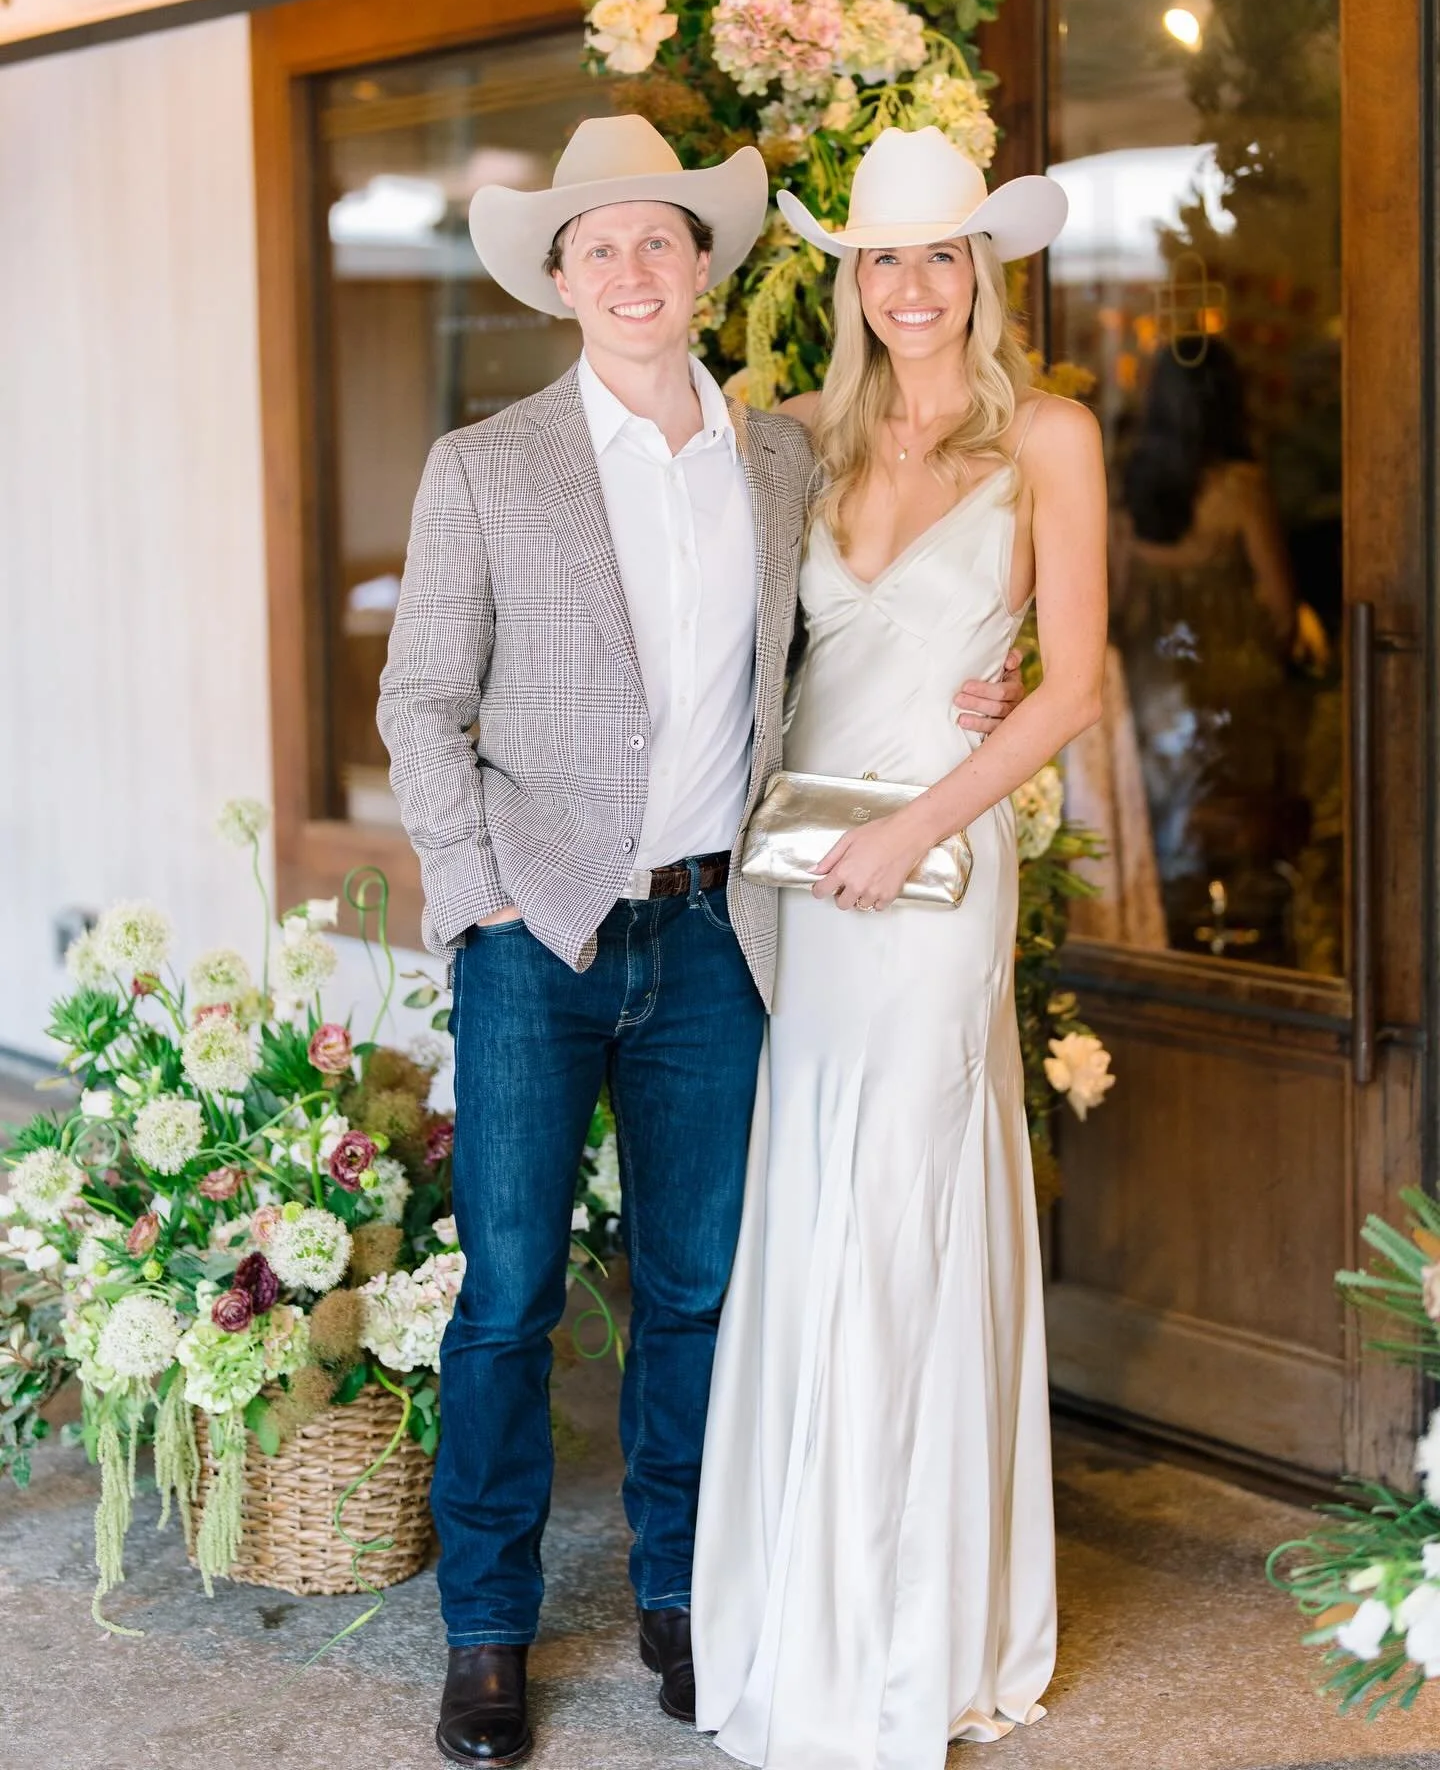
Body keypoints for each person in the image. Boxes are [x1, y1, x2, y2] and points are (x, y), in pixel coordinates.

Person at [377, 114, 1023, 1768]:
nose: (633, 269)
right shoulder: (486, 465)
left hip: (719, 932)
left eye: (660, 240)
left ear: (705, 269)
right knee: (509, 1294)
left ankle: (679, 1593)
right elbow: (422, 704)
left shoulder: (780, 458)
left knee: (695, 1292)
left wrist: (985, 686)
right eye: (599, 247)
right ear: (560, 283)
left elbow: (860, 633)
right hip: (538, 939)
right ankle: (489, 1631)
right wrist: (488, 897)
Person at [691, 124, 1107, 1769]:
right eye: (887, 256)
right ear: (850, 276)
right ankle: (802, 1605)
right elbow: (728, 653)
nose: (915, 286)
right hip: (803, 871)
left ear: (981, 274)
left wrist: (923, 817)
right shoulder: (793, 434)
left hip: (935, 872)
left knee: (902, 1199)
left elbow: (1069, 684)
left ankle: (902, 1635)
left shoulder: (1050, 438)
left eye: (944, 256)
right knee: (817, 1195)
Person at [1110, 339, 1302, 951]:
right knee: (1241, 827)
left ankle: (1176, 937)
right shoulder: (1242, 488)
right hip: (1234, 689)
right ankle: (1244, 938)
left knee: (1169, 821)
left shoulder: (1127, 492)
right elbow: (1280, 605)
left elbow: (1110, 603)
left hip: (1153, 685)